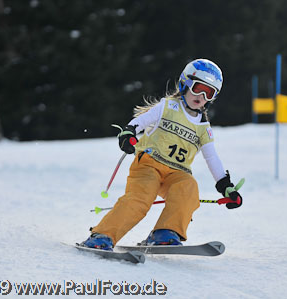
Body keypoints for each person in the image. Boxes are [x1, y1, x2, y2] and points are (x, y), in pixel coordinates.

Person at [81, 59, 243, 250]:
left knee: (188, 187)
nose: (201, 96)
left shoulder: (203, 128)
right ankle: (102, 235)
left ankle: (165, 232)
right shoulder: (167, 107)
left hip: (177, 172)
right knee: (141, 198)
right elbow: (140, 121)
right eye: (198, 88)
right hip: (149, 164)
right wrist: (128, 133)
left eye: (209, 93)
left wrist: (226, 186)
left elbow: (212, 158)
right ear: (186, 83)